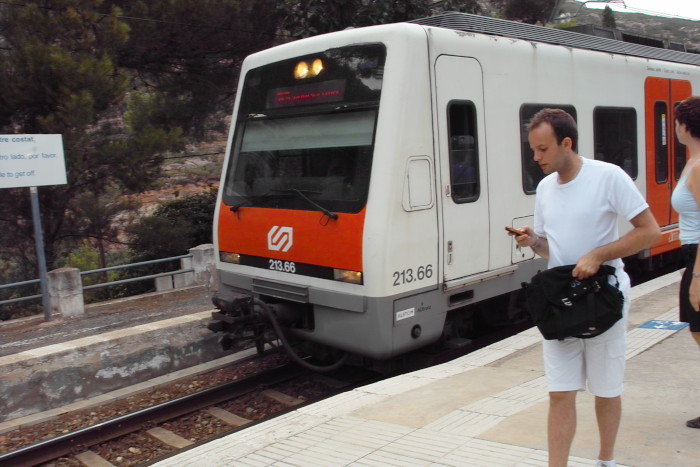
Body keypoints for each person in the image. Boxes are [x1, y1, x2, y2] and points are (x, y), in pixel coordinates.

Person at [512, 108, 661, 467]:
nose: (536, 158)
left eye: (543, 149)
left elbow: (650, 231)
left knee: (606, 389)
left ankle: (605, 460)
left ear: (567, 143)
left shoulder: (608, 177)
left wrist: (599, 254)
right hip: (561, 300)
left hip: (603, 298)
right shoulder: (546, 188)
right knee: (559, 392)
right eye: (533, 150)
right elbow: (553, 247)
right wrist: (534, 241)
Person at [670, 96, 700, 429]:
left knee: (699, 329)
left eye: (677, 121)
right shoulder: (691, 162)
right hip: (692, 254)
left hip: (699, 257)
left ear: (684, 125)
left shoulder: (699, 165)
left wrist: (698, 275)